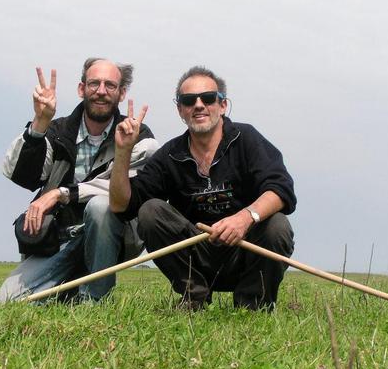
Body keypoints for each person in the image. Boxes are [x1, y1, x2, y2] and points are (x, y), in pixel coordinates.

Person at [110, 66, 296, 311]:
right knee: (150, 211)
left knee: (278, 225)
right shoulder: (170, 155)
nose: (198, 105)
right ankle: (194, 298)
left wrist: (245, 218)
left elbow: (281, 188)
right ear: (180, 110)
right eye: (189, 100)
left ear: (222, 105)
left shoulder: (247, 139)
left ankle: (254, 305)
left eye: (208, 98)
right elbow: (122, 205)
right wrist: (123, 151)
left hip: (244, 252)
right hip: (196, 258)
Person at [0, 58, 158, 303]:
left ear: (121, 93)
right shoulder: (58, 131)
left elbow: (124, 189)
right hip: (60, 237)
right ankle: (68, 291)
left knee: (100, 206)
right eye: (94, 84)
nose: (101, 91)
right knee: (5, 302)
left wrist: (62, 193)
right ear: (82, 89)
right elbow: (20, 174)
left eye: (110, 85)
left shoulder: (137, 136)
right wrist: (39, 124)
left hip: (112, 235)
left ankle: (95, 302)